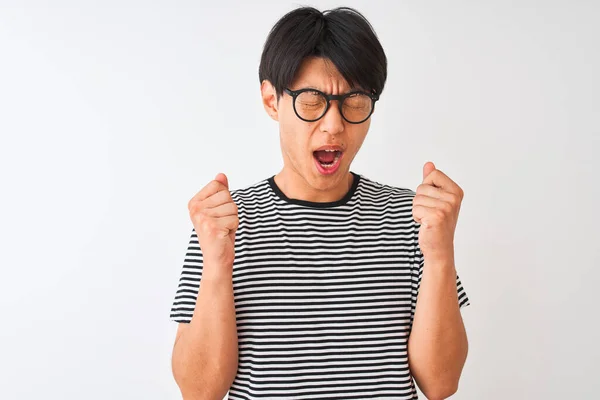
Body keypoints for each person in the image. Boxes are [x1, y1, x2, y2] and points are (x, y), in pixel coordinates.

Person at [169, 6, 470, 400]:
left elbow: (440, 384)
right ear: (271, 100)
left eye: (355, 101)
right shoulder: (222, 223)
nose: (334, 125)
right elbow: (199, 391)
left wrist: (441, 255)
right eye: (311, 101)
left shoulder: (413, 218)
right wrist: (217, 266)